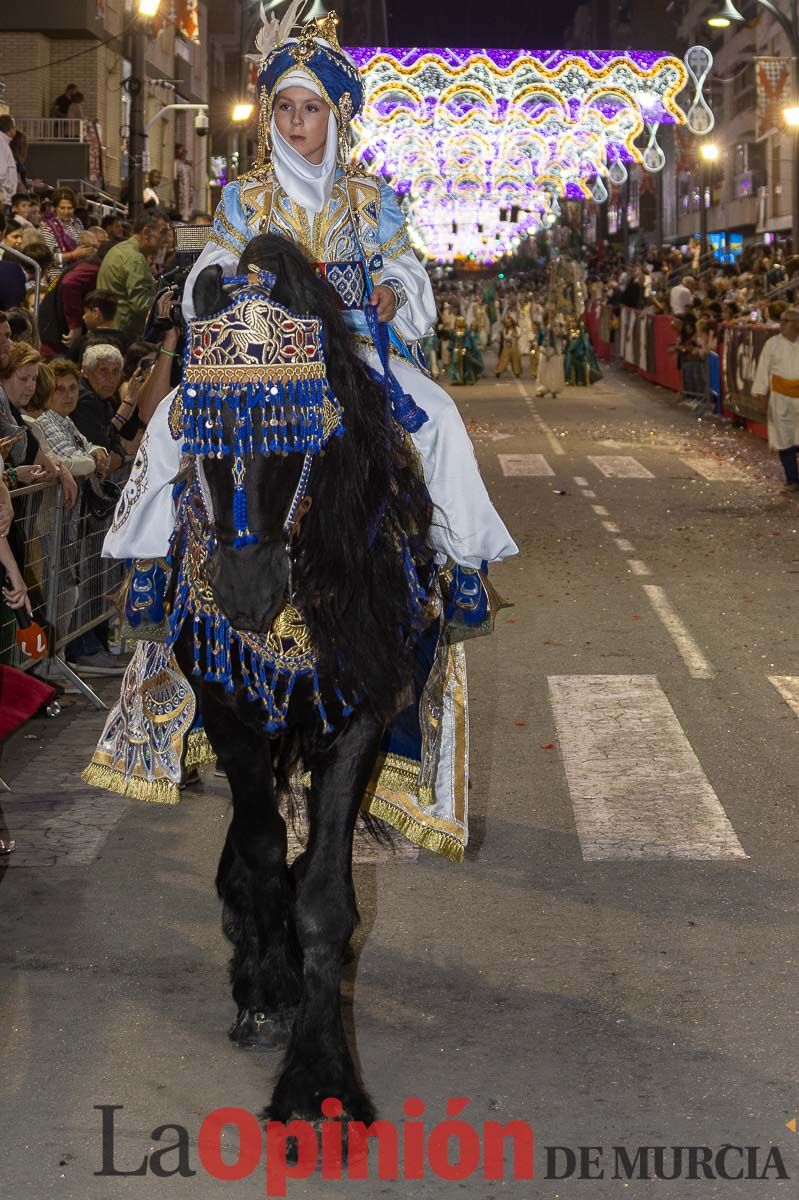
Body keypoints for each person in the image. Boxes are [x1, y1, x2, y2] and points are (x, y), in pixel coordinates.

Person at [179, 9, 516, 572]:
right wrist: (236, 290)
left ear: (337, 115)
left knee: (439, 419)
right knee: (174, 419)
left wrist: (393, 292)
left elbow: (405, 267)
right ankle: (146, 564)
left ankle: (460, 562)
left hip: (358, 347)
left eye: (310, 108)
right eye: (284, 107)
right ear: (269, 115)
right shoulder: (244, 198)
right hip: (264, 356)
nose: (295, 122)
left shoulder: (369, 198)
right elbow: (209, 275)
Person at [96, 212, 167, 340]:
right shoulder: (135, 258)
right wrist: (165, 305)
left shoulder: (119, 249)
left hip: (110, 331)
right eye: (162, 232)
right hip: (125, 337)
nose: (166, 239)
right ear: (146, 233)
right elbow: (141, 304)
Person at [752, 308, 799, 491]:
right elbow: (763, 370)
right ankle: (792, 479)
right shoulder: (772, 344)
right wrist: (761, 396)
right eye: (781, 320)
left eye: (786, 321)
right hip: (781, 399)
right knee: (784, 439)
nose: (782, 324)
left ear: (796, 323)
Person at [72, 343, 128, 473]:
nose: (111, 379)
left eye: (115, 371)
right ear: (85, 371)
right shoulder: (85, 399)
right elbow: (103, 448)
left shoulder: (105, 398)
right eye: (103, 371)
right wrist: (120, 455)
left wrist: (120, 455)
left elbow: (114, 439)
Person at [38, 187, 90, 271]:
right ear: (55, 207)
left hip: (78, 270)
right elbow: (49, 258)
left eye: (70, 208)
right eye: (62, 208)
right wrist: (73, 255)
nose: (66, 212)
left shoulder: (77, 223)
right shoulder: (47, 227)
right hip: (57, 274)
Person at [0, 115, 18, 208]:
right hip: (4, 200)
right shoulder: (1, 143)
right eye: (15, 127)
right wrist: (9, 189)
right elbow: (1, 173)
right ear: (11, 129)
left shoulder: (4, 142)